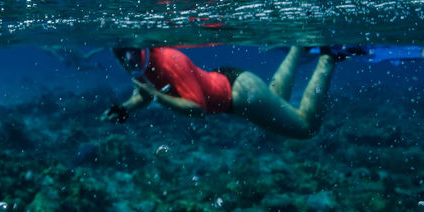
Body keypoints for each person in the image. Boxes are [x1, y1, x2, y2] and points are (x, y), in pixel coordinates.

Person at [102, 46, 354, 139]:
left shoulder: (169, 60)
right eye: (121, 59)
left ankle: (327, 58)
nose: (127, 64)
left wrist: (157, 95)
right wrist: (124, 108)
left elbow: (197, 109)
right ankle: (298, 45)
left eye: (128, 57)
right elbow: (145, 95)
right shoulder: (141, 64)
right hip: (236, 88)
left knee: (305, 127)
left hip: (239, 94)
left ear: (137, 48)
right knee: (276, 99)